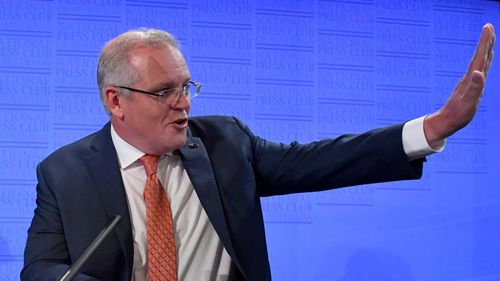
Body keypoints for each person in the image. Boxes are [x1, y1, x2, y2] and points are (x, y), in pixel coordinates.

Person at [21, 24, 495, 281]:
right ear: (115, 101)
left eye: (187, 87)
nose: (184, 103)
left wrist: (434, 127)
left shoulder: (224, 143)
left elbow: (324, 161)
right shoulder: (62, 172)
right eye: (165, 91)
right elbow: (42, 267)